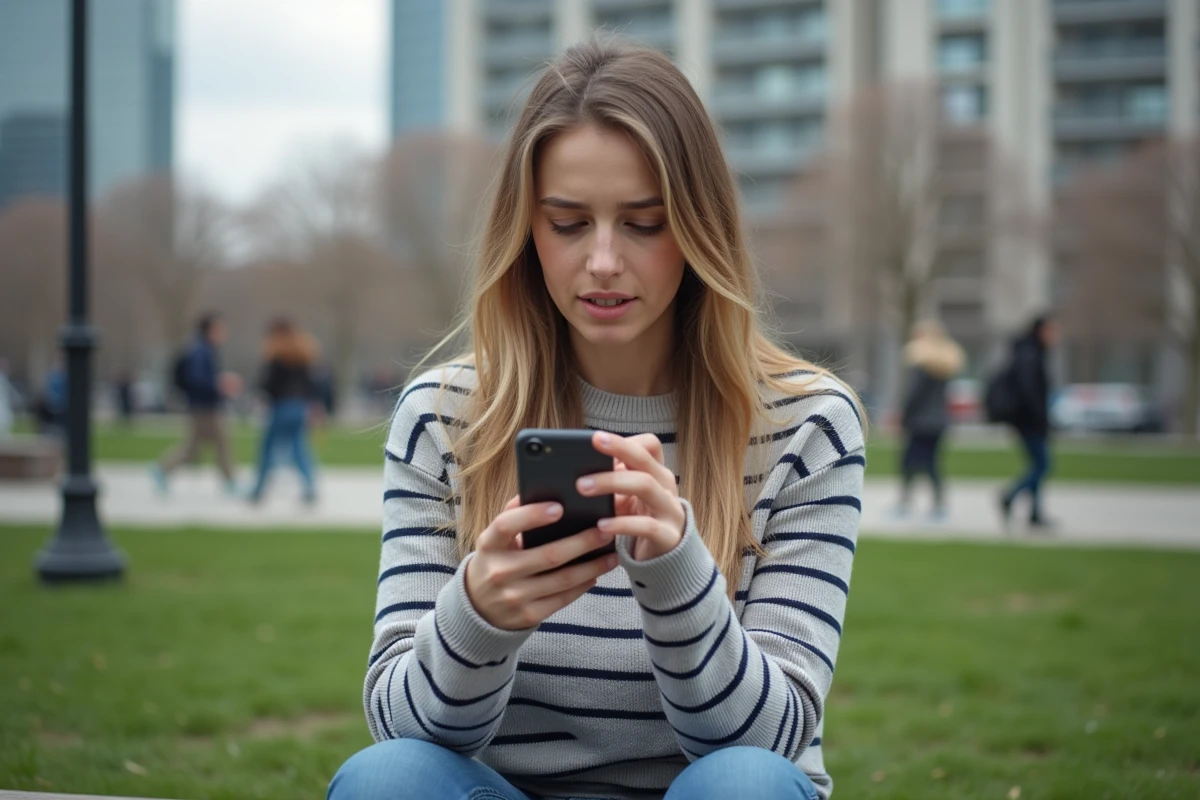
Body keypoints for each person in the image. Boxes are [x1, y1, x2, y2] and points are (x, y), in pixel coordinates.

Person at [327, 39, 866, 800]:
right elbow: (402, 730)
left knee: (745, 785)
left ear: (699, 229)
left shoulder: (808, 425)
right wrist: (479, 615)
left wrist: (677, 569)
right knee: (387, 781)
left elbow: (770, 742)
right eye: (569, 223)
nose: (604, 261)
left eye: (644, 223)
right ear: (526, 231)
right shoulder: (445, 417)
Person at [150, 313, 239, 495]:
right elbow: (197, 379)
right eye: (219, 329)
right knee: (221, 442)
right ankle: (230, 482)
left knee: (194, 448)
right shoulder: (201, 350)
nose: (222, 334)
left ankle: (162, 470)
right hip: (203, 406)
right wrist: (219, 384)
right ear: (209, 330)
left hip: (202, 404)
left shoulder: (204, 349)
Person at [894, 320, 964, 520]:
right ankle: (938, 503)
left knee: (908, 461)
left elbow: (914, 395)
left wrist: (904, 416)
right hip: (939, 421)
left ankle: (905, 501)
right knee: (933, 463)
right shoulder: (945, 364)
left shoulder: (921, 363)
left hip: (920, 421)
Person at [247, 318, 320, 505]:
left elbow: (268, 385)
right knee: (299, 449)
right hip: (299, 407)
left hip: (281, 407)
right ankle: (310, 487)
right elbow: (312, 384)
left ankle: (259, 489)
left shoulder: (276, 356)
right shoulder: (303, 355)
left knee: (267, 449)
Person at [998, 314, 1059, 530]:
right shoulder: (1030, 355)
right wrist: (1041, 417)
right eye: (1051, 330)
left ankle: (1035, 513)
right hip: (1030, 421)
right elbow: (1030, 392)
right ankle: (1010, 495)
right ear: (1040, 330)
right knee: (1042, 465)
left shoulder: (1032, 352)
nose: (1055, 335)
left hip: (1030, 421)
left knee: (1037, 465)